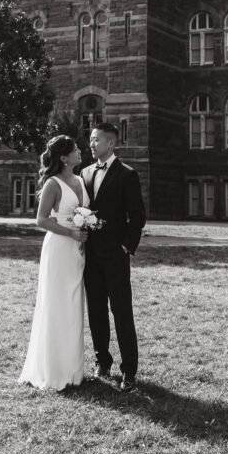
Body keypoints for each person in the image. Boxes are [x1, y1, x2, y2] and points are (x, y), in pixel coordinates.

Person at [18, 135, 89, 391]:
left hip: (78, 250)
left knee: (74, 305)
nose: (80, 151)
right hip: (59, 248)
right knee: (58, 304)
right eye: (75, 149)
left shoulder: (81, 180)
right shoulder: (53, 183)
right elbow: (41, 219)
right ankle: (55, 371)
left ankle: (74, 371)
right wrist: (71, 233)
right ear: (64, 158)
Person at [81, 122, 146, 392]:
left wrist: (126, 247)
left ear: (111, 143)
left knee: (121, 312)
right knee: (96, 310)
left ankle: (129, 372)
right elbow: (83, 209)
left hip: (116, 256)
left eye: (96, 140)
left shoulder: (127, 174)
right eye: (91, 139)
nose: (92, 144)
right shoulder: (83, 173)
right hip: (90, 255)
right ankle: (102, 362)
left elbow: (138, 216)